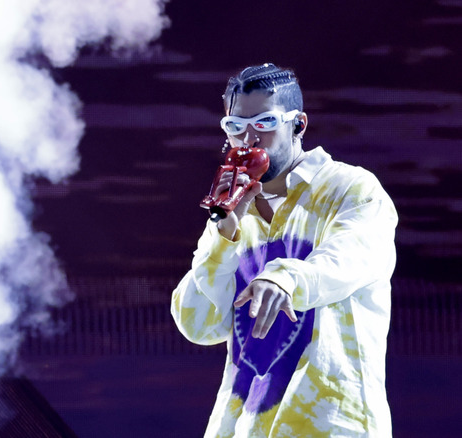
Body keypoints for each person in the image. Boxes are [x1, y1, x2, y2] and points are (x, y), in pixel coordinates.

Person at [170, 63, 397, 437]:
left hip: (329, 422)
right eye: (235, 126)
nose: (249, 137)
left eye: (264, 123)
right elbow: (199, 323)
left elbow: (348, 259)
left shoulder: (350, 189)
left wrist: (284, 277)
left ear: (298, 125)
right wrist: (222, 232)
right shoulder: (234, 209)